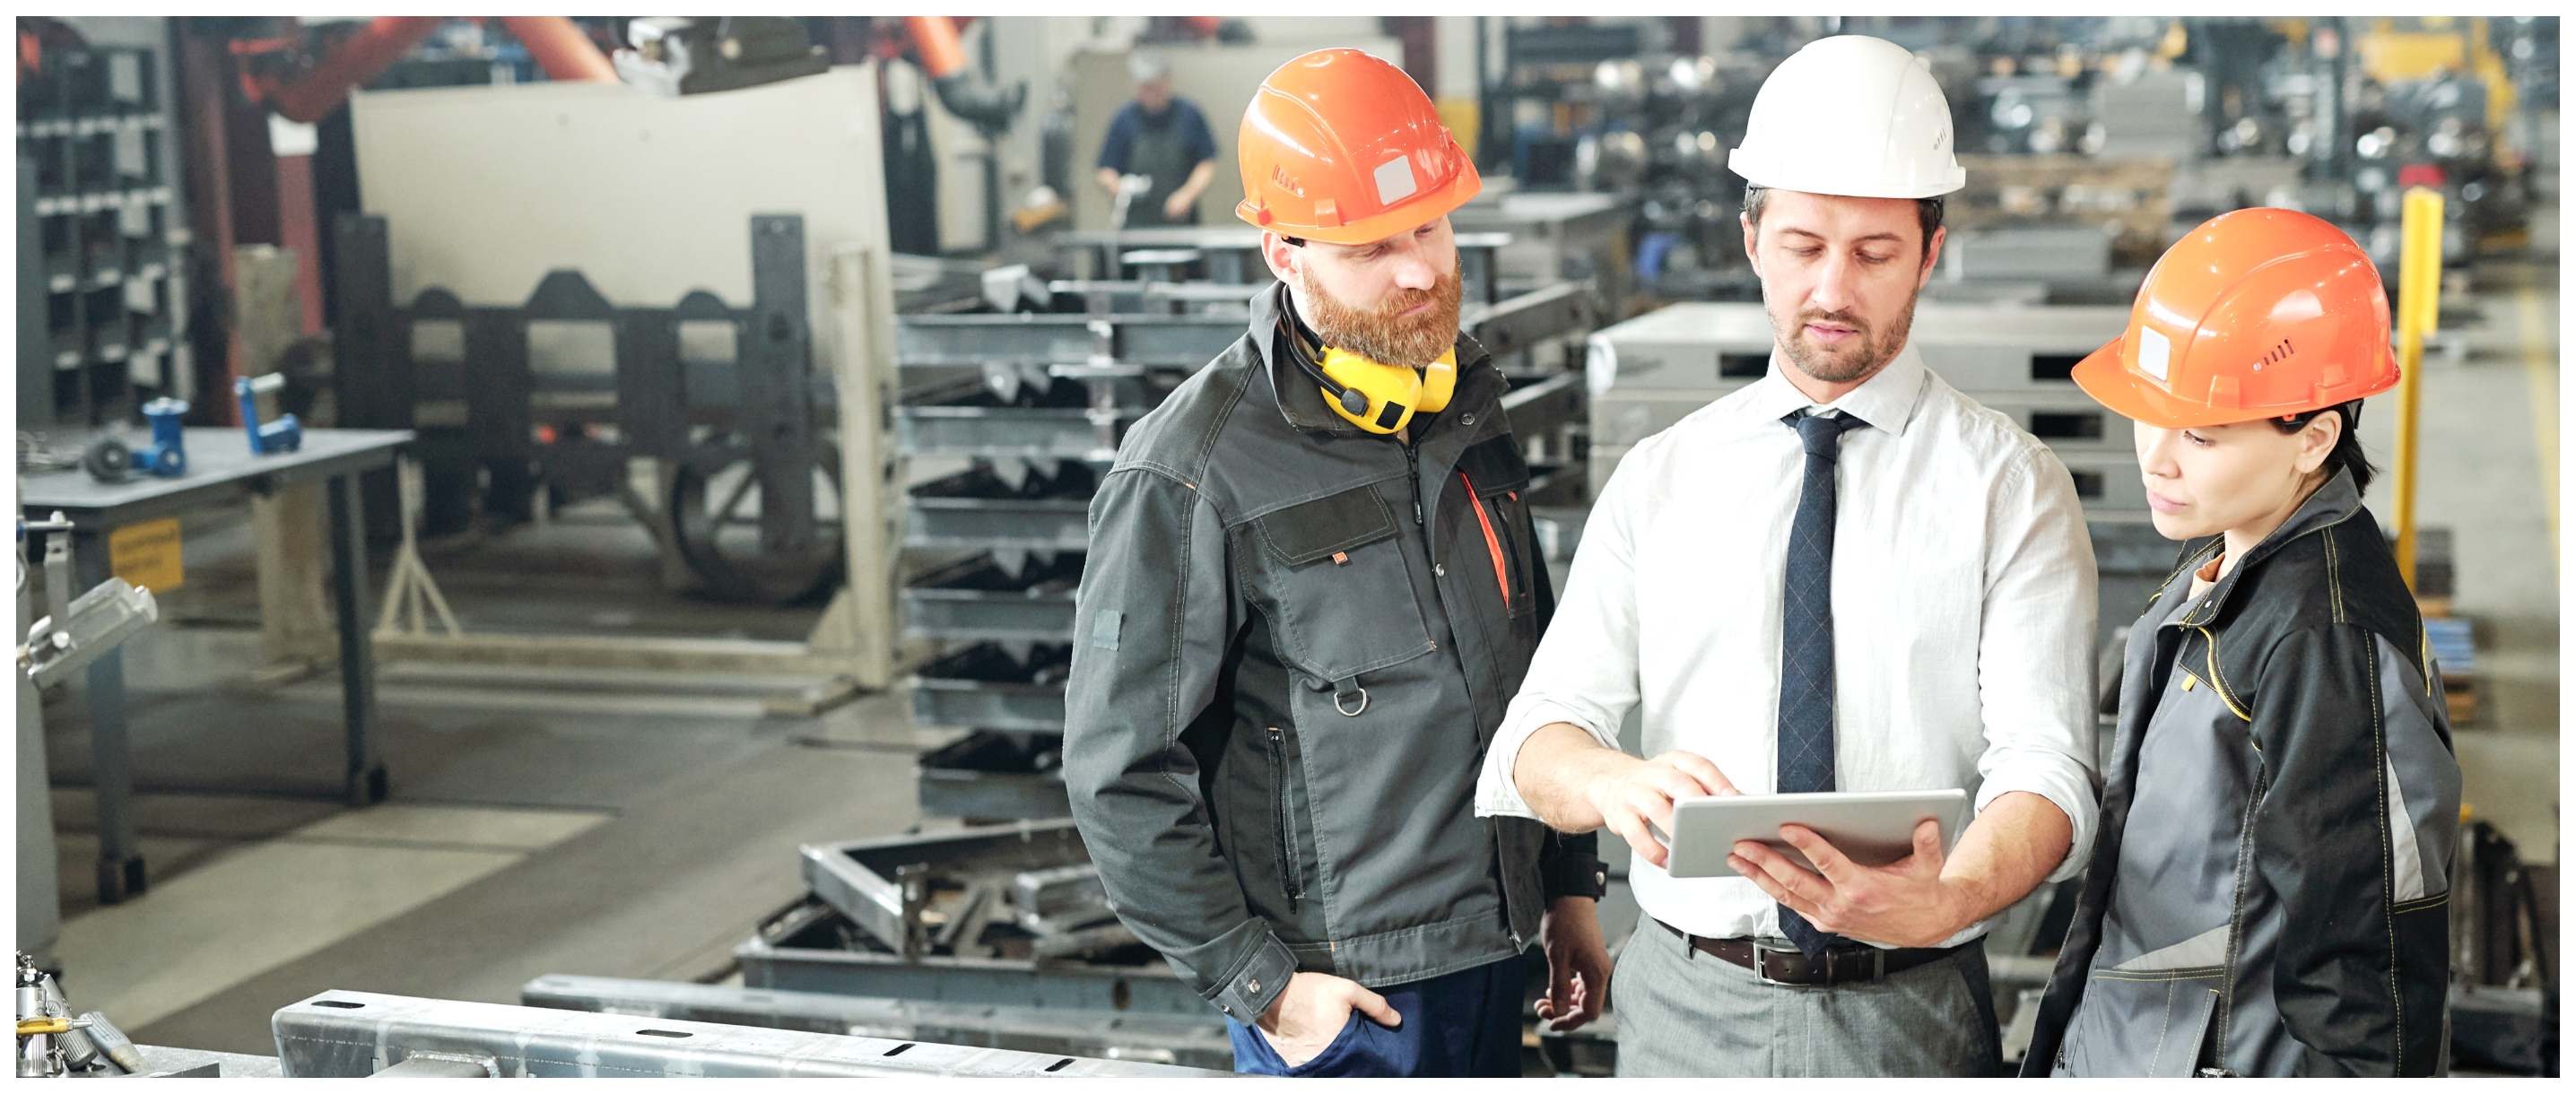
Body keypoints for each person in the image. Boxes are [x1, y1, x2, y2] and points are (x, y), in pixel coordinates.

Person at [1472, 35, 2101, 1077]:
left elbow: (2047, 768)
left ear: (1929, 252)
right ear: (1752, 238)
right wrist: (1612, 780)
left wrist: (1945, 894)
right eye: (1803, 245)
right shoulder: (1661, 477)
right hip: (1685, 1006)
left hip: (1914, 1005)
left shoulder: (2009, 486)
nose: (1832, 289)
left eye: (1873, 253)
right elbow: (1540, 732)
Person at [1063, 48, 1609, 1079]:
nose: (1417, 270)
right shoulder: (1189, 470)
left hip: (1503, 953)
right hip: (1346, 999)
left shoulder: (1467, 409)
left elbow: (1537, 670)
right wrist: (1260, 981)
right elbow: (1118, 772)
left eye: (1430, 228)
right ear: (1281, 248)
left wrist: (1569, 882)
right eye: (1368, 247)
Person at [2022, 208, 2459, 1078]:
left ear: (2314, 438)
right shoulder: (2235, 553)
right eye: (2152, 418)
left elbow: (2360, 965)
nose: (2155, 458)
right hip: (2129, 1044)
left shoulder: (2322, 638)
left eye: (2200, 433)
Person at [1093, 49, 1219, 228]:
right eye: (1142, 86)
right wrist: (1119, 187)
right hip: (1136, 228)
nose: (1148, 92)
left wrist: (1187, 195)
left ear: (1166, 80)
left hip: (1182, 225)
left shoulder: (1189, 114)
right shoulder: (1123, 119)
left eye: (1153, 85)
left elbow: (1206, 164)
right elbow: (1105, 170)